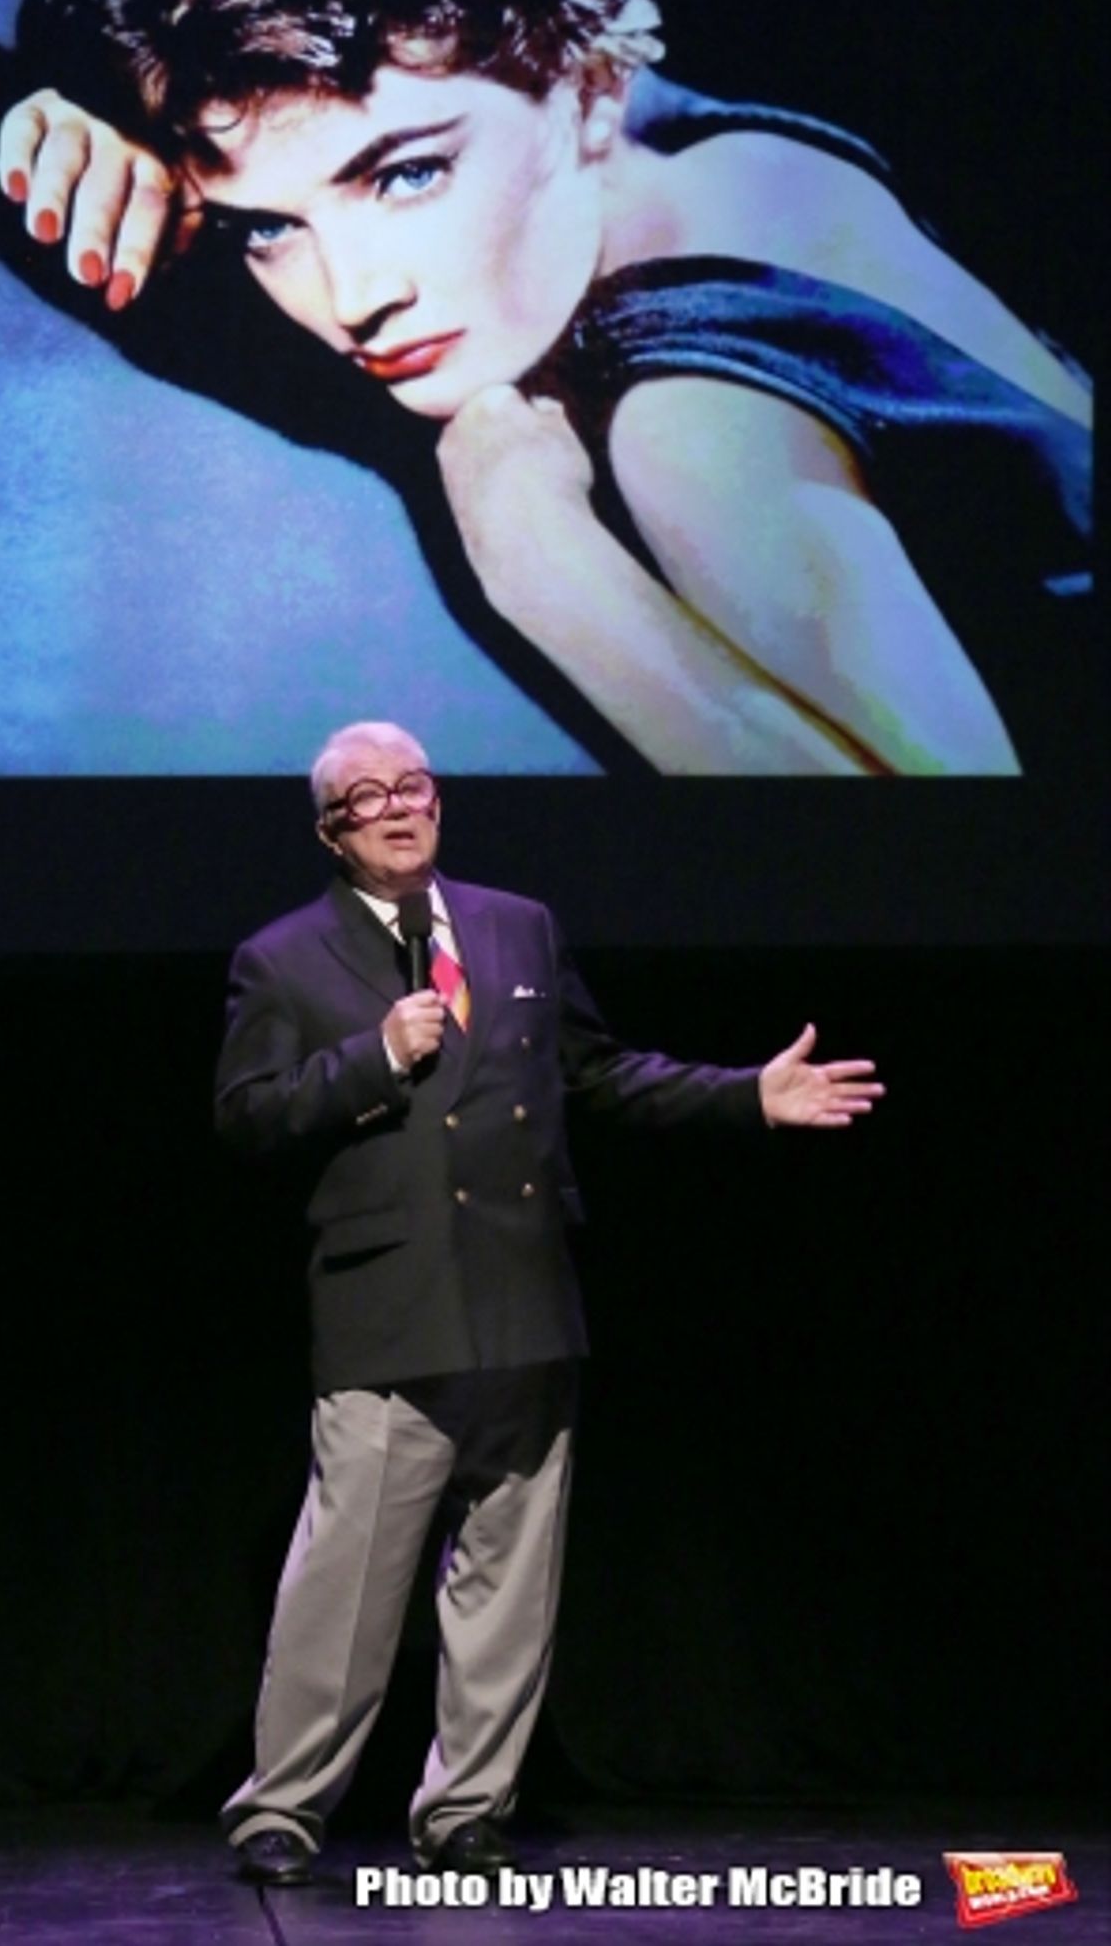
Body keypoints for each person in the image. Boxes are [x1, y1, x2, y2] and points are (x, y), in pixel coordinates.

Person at [0, 0, 1092, 779]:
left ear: (587, 85)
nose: (356, 297)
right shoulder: (705, 157)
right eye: (266, 228)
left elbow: (950, 855)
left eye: (406, 176)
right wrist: (109, 104)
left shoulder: (696, 432)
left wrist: (545, 567)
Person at [212, 717, 883, 1880]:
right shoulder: (282, 958)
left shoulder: (514, 924)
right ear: (330, 829)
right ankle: (282, 1807)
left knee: (508, 1579)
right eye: (368, 795)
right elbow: (246, 1115)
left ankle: (465, 1806)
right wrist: (374, 1056)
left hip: (521, 1296)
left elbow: (596, 1072)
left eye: (413, 784)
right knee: (345, 1586)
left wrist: (744, 1096)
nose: (397, 806)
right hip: (390, 1308)